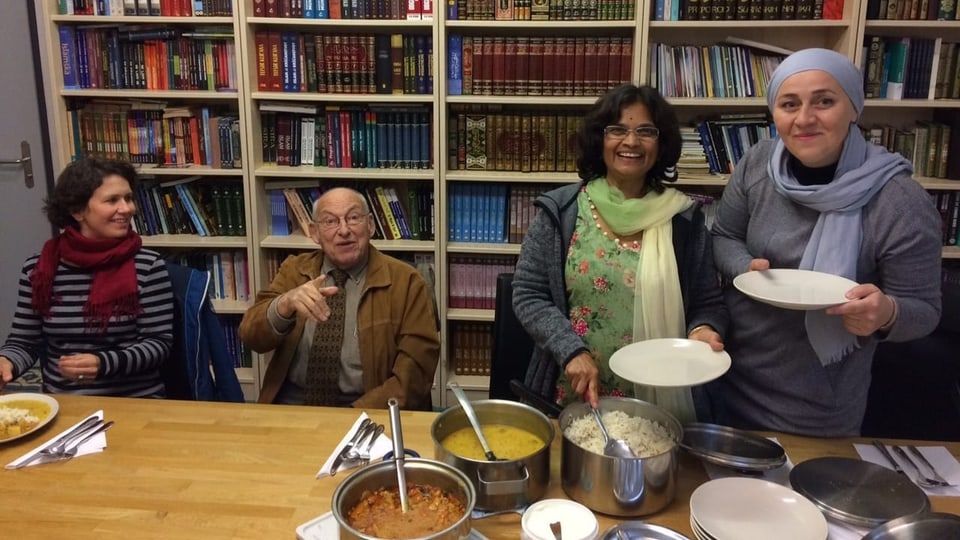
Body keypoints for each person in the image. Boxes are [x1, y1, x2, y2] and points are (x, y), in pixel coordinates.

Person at [708, 48, 943, 437]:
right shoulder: (757, 164)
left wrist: (884, 314)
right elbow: (725, 237)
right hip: (725, 376)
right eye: (789, 104)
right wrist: (744, 267)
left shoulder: (899, 202)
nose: (804, 119)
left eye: (824, 101)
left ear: (854, 108)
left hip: (816, 406)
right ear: (774, 113)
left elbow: (925, 309)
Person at [513, 84, 728, 421]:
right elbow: (528, 293)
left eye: (646, 131)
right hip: (573, 393)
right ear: (600, 139)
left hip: (661, 401)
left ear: (661, 143)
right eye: (618, 130)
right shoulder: (561, 210)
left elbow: (707, 303)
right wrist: (570, 351)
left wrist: (702, 329)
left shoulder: (684, 220)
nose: (631, 142)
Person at [240, 187, 439, 410]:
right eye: (330, 221)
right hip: (293, 406)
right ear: (314, 232)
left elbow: (415, 374)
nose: (344, 230)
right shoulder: (294, 271)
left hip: (368, 410)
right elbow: (251, 336)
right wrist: (284, 304)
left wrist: (351, 418)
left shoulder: (407, 282)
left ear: (371, 225)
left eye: (354, 218)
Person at [0, 158, 174, 397]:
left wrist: (103, 363)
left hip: (135, 398)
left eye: (128, 198)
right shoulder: (38, 269)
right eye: (112, 200)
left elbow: (158, 345)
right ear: (77, 211)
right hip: (63, 401)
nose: (127, 209)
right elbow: (24, 341)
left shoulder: (147, 265)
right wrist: (6, 361)